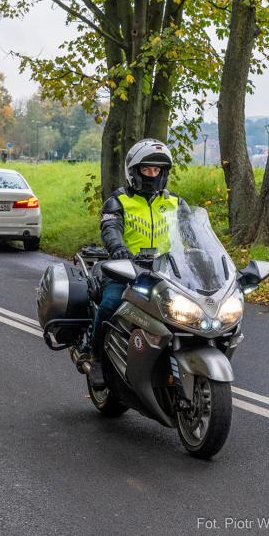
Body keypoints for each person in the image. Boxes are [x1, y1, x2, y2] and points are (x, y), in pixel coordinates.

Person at [86, 138, 184, 387]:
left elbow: (194, 233)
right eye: (146, 169)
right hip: (126, 271)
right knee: (110, 304)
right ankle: (96, 357)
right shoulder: (118, 201)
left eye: (157, 170)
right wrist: (118, 248)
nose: (152, 175)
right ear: (133, 171)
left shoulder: (175, 203)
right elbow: (110, 228)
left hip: (168, 273)